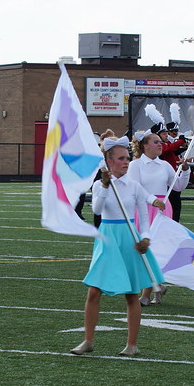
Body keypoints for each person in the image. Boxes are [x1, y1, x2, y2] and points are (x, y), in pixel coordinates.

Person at [71, 137, 163, 358]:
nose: (126, 162)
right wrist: (103, 185)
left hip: (130, 237)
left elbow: (143, 214)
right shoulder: (99, 185)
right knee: (94, 291)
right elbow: (98, 209)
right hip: (107, 237)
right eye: (121, 159)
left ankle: (132, 344)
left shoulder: (133, 185)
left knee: (131, 294)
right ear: (109, 162)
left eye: (127, 158)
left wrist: (146, 237)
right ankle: (88, 340)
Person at [127, 132, 177, 305]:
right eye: (155, 142)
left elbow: (178, 186)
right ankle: (157, 286)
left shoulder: (165, 165)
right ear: (144, 145)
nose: (160, 144)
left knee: (157, 250)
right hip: (143, 208)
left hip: (162, 208)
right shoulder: (135, 165)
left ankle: (147, 294)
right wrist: (152, 200)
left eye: (160, 142)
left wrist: (184, 171)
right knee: (144, 249)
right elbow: (135, 188)